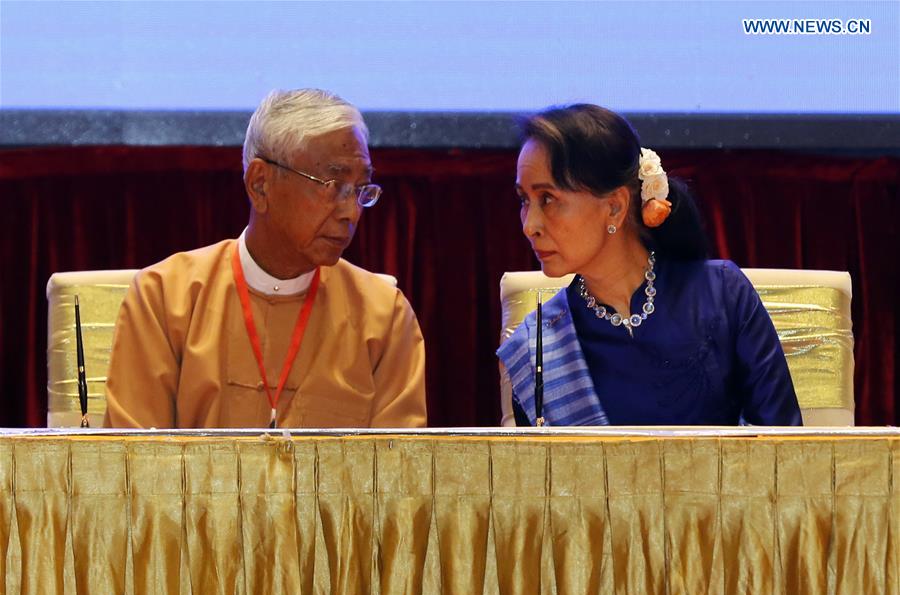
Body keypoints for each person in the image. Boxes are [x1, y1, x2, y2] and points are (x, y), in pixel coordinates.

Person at [104, 89, 427, 428]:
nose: (352, 212)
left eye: (361, 189)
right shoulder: (164, 299)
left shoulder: (383, 316)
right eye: (333, 184)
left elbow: (398, 472)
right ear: (260, 184)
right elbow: (131, 465)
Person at [498, 104, 801, 426]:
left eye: (548, 199)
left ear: (614, 207)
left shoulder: (723, 293)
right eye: (524, 201)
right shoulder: (538, 347)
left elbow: (784, 448)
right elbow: (542, 473)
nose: (529, 225)